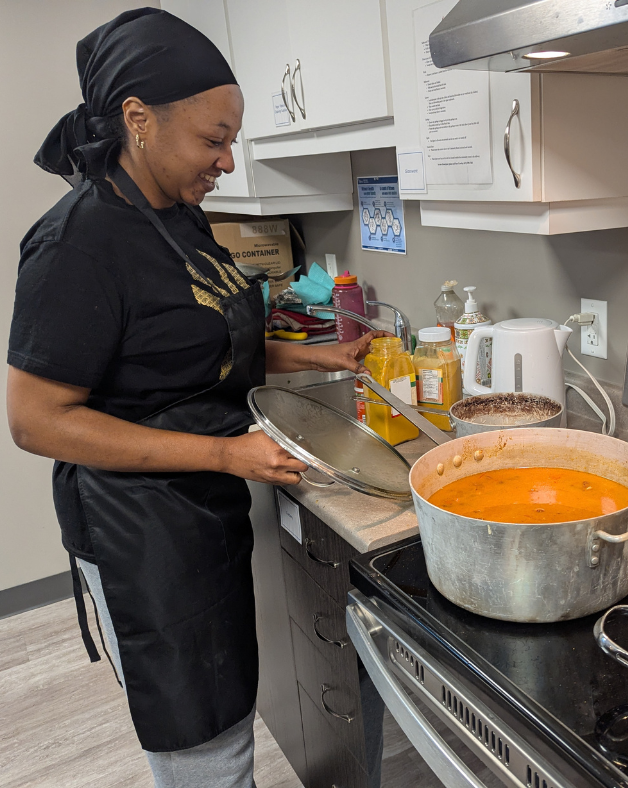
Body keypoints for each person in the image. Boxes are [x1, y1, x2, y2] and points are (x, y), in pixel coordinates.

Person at [7, 9, 385, 787]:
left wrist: (317, 354)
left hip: (202, 511)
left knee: (225, 713)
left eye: (232, 140)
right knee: (200, 742)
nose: (226, 160)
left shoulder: (178, 218)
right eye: (214, 139)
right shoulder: (78, 243)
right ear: (138, 119)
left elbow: (208, 341)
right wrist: (224, 452)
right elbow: (36, 420)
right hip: (139, 532)